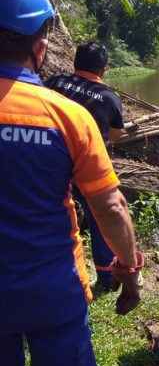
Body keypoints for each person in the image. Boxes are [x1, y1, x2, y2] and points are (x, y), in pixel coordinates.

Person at [0, 0, 141, 366]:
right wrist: (129, 271)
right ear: (41, 44)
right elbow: (111, 206)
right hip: (53, 291)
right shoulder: (67, 116)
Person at [46, 42, 126, 290]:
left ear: (75, 63)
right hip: (85, 166)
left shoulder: (54, 82)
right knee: (100, 216)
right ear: (104, 68)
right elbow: (115, 136)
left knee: (54, 214)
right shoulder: (110, 98)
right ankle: (105, 276)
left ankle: (55, 268)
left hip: (50, 163)